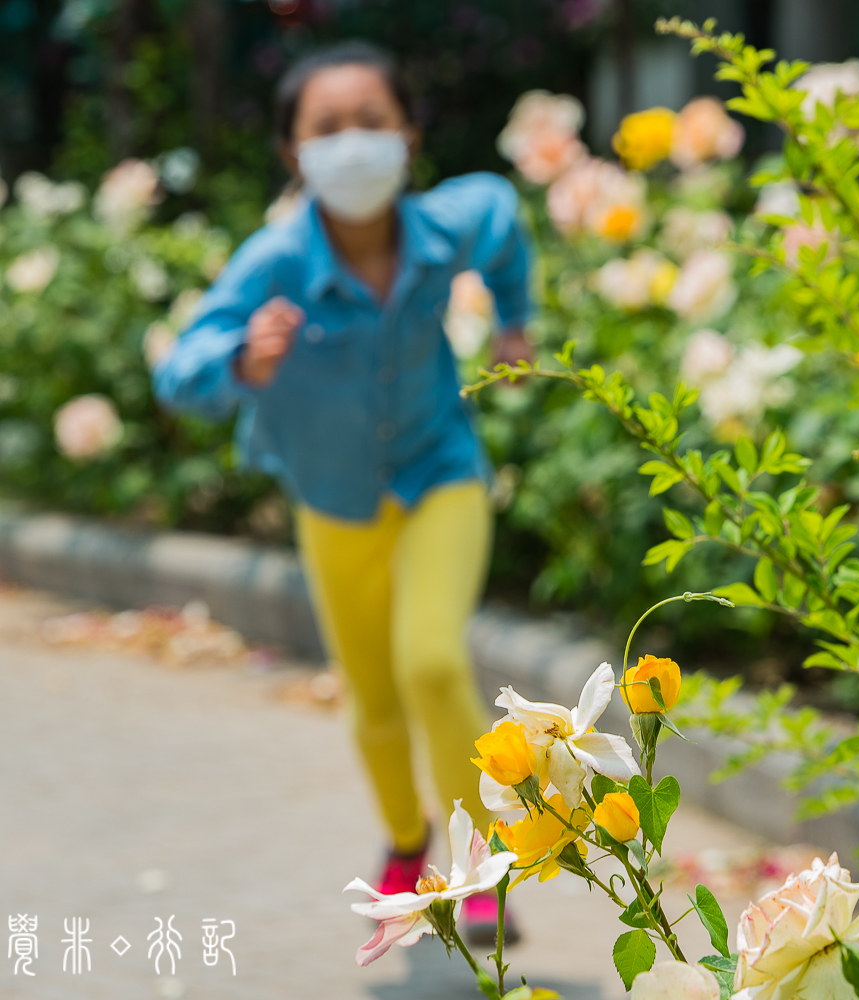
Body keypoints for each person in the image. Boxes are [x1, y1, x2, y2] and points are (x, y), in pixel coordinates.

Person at [152, 41, 532, 942]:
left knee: (432, 663)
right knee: (373, 698)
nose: (353, 143)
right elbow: (180, 371)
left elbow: (502, 212)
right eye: (328, 128)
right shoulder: (275, 261)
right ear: (294, 153)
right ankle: (405, 839)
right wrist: (240, 359)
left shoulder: (442, 229)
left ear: (408, 136)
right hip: (333, 500)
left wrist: (514, 320)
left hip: (441, 474)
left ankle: (481, 865)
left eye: (372, 121)